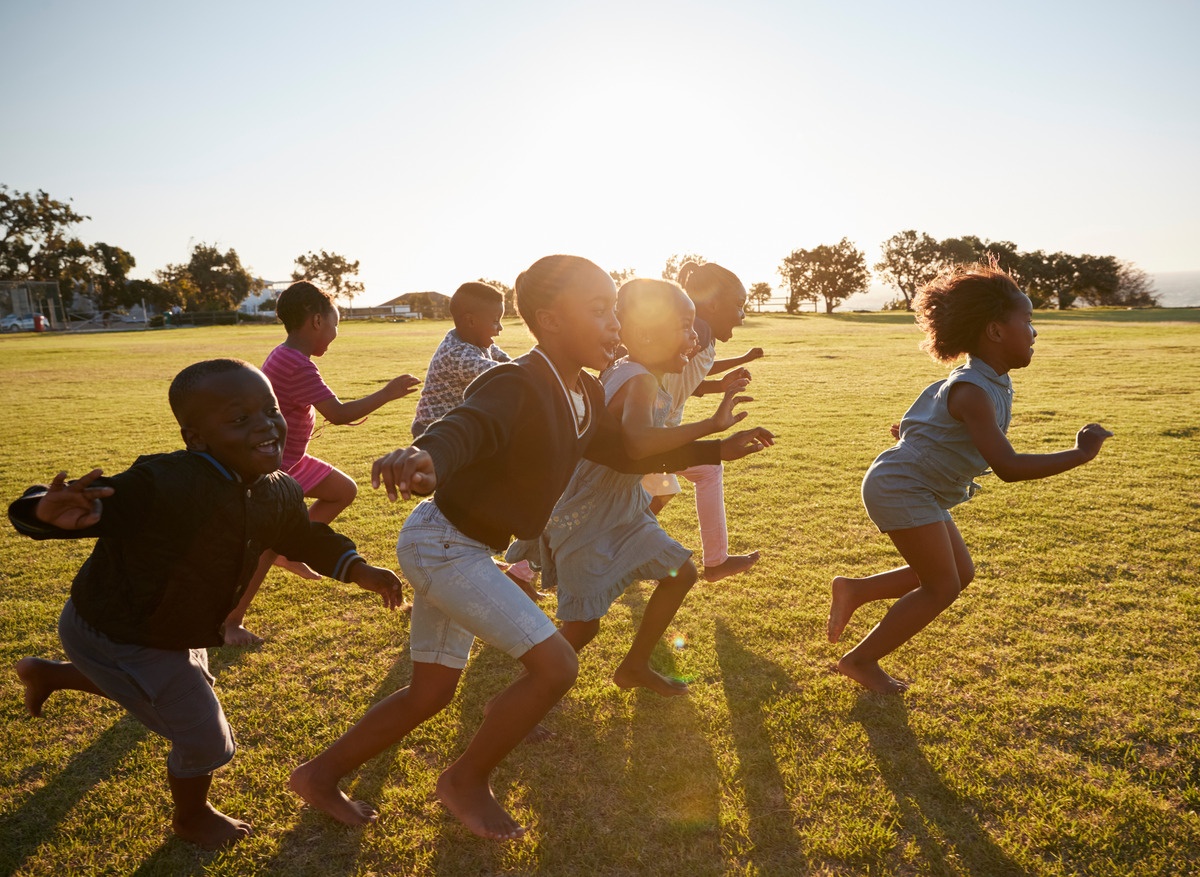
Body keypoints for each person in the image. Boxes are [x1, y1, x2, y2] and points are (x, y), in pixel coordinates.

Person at [288, 255, 773, 840]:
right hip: (444, 543)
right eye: (599, 311)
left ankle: (318, 775)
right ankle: (465, 780)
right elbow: (468, 426)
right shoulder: (516, 380)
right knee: (555, 664)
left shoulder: (585, 394)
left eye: (615, 312)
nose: (615, 324)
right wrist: (427, 457)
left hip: (457, 546)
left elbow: (626, 456)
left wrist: (720, 450)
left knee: (430, 692)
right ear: (549, 320)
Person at [10, 359, 405, 850]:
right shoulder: (164, 481)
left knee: (168, 691)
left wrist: (360, 570)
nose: (264, 424)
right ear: (196, 438)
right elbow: (98, 504)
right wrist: (41, 511)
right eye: (239, 419)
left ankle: (50, 674)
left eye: (270, 410)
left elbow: (303, 536)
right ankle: (191, 818)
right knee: (201, 733)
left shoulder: (277, 488)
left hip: (174, 628)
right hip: (119, 629)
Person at [826, 261, 1113, 694]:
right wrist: (1079, 454)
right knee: (941, 586)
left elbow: (927, 418)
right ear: (996, 332)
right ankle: (860, 660)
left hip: (914, 483)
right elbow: (1009, 467)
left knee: (959, 573)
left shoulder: (987, 380)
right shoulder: (973, 389)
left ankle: (855, 590)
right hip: (903, 487)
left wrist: (913, 436)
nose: (1035, 332)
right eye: (1028, 322)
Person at [515, 278, 772, 697]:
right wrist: (711, 428)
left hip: (625, 506)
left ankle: (634, 666)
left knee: (681, 572)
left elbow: (639, 449)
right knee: (582, 627)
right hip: (593, 514)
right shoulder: (641, 380)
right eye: (686, 327)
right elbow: (637, 444)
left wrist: (715, 448)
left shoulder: (628, 369)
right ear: (648, 333)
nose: (694, 338)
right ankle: (516, 699)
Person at [223, 281, 420, 645]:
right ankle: (232, 622)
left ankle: (291, 546)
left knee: (343, 490)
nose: (334, 333)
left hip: (292, 458)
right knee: (264, 552)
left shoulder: (288, 356)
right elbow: (340, 414)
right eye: (334, 324)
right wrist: (388, 393)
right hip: (277, 467)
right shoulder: (296, 364)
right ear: (316, 321)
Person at [643, 260, 765, 582]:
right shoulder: (702, 328)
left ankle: (627, 542)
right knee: (702, 473)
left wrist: (727, 379)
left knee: (659, 494)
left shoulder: (702, 337)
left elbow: (694, 377)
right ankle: (711, 561)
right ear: (712, 304)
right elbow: (683, 357)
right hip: (652, 433)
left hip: (660, 430)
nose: (742, 315)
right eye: (739, 306)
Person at [410, 281, 511, 438]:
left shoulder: (474, 340)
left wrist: (512, 362)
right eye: (495, 320)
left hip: (454, 423)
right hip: (434, 429)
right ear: (471, 321)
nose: (500, 327)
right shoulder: (458, 354)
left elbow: (502, 357)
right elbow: (499, 373)